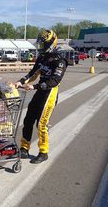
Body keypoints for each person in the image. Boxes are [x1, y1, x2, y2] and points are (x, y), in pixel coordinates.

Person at [15, 29, 67, 164]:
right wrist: (20, 82)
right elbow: (33, 73)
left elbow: (55, 80)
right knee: (28, 120)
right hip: (39, 91)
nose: (41, 48)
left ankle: (43, 152)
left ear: (51, 43)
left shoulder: (60, 60)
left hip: (49, 93)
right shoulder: (42, 58)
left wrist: (35, 87)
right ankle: (24, 148)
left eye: (43, 45)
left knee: (42, 124)